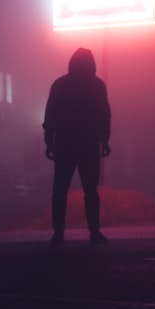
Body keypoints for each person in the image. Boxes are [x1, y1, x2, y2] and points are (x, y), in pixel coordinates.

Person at [43, 47, 111, 247]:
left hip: (65, 143)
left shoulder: (60, 85)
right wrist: (105, 139)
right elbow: (104, 115)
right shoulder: (97, 86)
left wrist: (49, 141)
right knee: (91, 191)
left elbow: (51, 114)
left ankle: (58, 234)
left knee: (60, 191)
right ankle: (94, 232)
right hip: (89, 144)